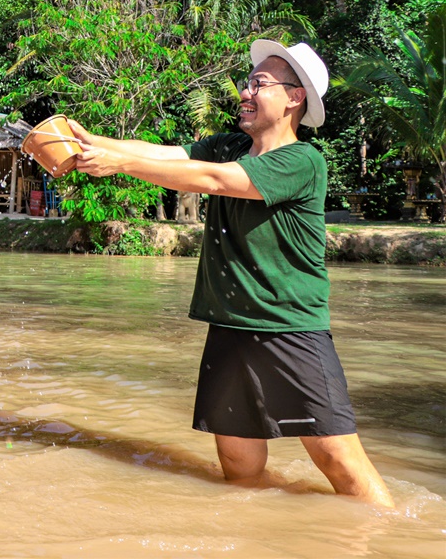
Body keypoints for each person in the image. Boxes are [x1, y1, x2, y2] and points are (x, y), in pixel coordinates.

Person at [69, 40, 394, 507]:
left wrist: (121, 165)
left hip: (289, 328)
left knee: (337, 457)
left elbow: (217, 181)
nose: (245, 90)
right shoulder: (232, 145)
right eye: (248, 81)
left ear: (294, 97)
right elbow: (171, 156)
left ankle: (391, 536)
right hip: (229, 325)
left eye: (259, 83)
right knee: (237, 465)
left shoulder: (302, 161)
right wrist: (91, 142)